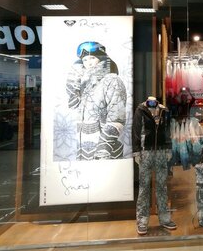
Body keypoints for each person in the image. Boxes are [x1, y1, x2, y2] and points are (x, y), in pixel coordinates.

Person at [66, 41, 127, 160]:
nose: (88, 63)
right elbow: (73, 104)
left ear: (101, 58)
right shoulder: (85, 84)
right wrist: (73, 80)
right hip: (84, 149)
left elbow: (117, 117)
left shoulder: (112, 80)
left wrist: (103, 148)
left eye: (92, 58)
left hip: (105, 151)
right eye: (85, 60)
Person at [132, 96, 177, 235]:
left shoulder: (163, 110)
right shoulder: (141, 110)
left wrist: (168, 148)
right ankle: (142, 220)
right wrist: (136, 151)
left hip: (161, 152)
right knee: (144, 187)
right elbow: (136, 130)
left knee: (162, 186)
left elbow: (168, 131)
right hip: (145, 152)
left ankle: (164, 218)